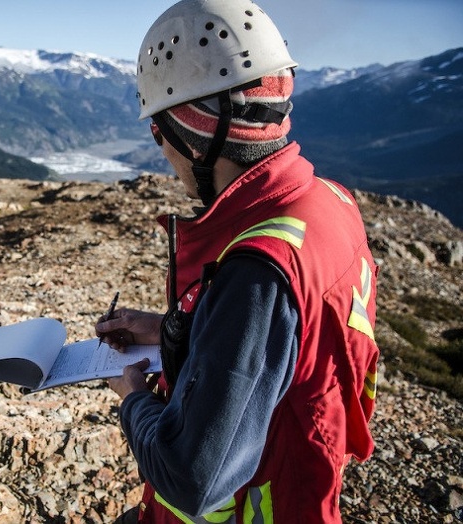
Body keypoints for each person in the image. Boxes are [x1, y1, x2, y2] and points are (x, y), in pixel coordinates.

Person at [94, 1, 380, 522]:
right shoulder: (328, 203)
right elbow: (290, 347)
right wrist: (167, 329)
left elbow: (191, 477)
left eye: (159, 131)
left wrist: (132, 395)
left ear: (193, 131)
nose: (162, 152)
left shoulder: (257, 268)